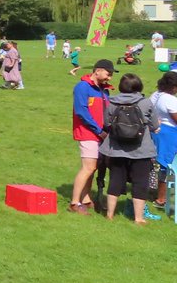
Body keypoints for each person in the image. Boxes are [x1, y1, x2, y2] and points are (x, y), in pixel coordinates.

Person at [101, 72, 160, 224]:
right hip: (141, 150)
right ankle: (138, 218)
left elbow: (106, 124)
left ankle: (110, 215)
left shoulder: (112, 102)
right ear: (139, 86)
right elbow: (154, 125)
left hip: (116, 148)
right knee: (140, 183)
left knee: (115, 181)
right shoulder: (146, 102)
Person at [69, 58, 115, 213]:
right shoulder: (83, 87)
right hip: (88, 133)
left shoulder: (104, 89)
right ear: (98, 71)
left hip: (100, 134)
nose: (110, 78)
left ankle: (86, 198)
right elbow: (81, 111)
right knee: (88, 167)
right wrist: (98, 131)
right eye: (108, 74)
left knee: (92, 168)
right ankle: (74, 203)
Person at [149, 71, 177, 209]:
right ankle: (161, 199)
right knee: (166, 167)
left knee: (158, 165)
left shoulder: (155, 95)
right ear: (173, 87)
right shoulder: (170, 99)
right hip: (169, 134)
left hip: (156, 131)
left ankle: (155, 192)